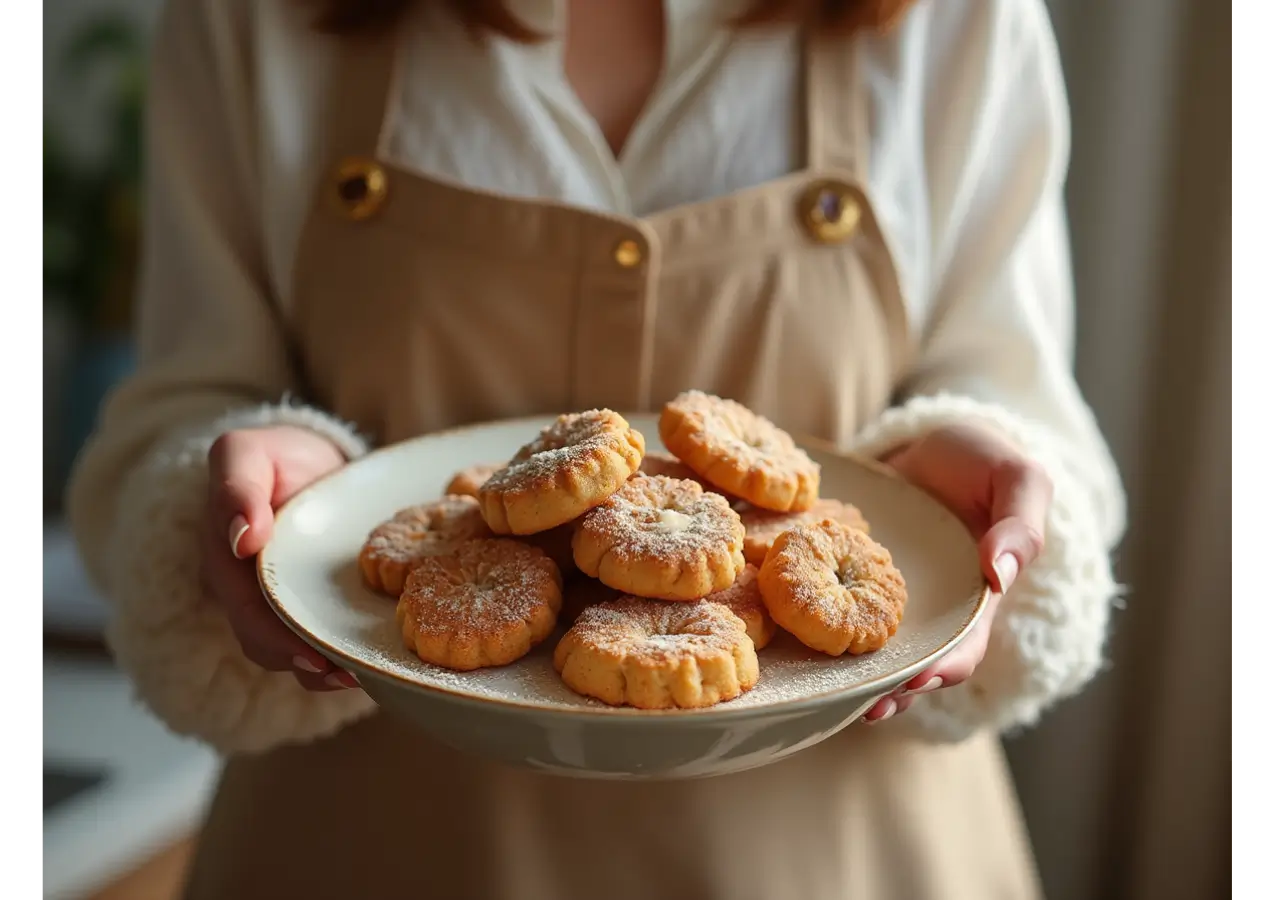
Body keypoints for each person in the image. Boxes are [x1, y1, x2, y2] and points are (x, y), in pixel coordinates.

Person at [66, 0, 1126, 897]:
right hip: (377, 839)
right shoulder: (252, 17)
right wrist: (252, 482)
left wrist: (974, 466)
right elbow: (180, 397)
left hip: (849, 850)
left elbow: (1018, 386)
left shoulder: (961, 19)